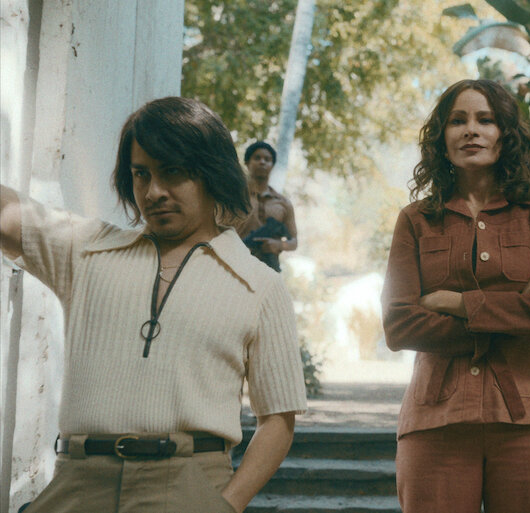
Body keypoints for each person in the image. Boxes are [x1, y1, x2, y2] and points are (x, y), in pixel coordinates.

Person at [0, 97, 308, 512]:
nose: (154, 192)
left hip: (188, 486)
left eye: (173, 172)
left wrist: (225, 506)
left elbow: (278, 421)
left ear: (211, 173)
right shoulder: (86, 250)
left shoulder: (260, 285)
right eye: (141, 174)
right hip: (78, 485)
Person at [381, 79, 530, 513]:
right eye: (458, 121)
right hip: (436, 420)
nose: (471, 130)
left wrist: (456, 303)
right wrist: (519, 304)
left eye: (485, 120)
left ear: (504, 134)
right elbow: (400, 325)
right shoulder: (415, 220)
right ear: (442, 138)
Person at [235, 141, 297, 272]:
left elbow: (294, 242)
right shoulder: (235, 197)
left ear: (272, 165)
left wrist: (278, 244)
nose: (262, 162)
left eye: (267, 159)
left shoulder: (283, 203)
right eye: (257, 158)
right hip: (237, 264)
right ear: (247, 163)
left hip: (268, 269)